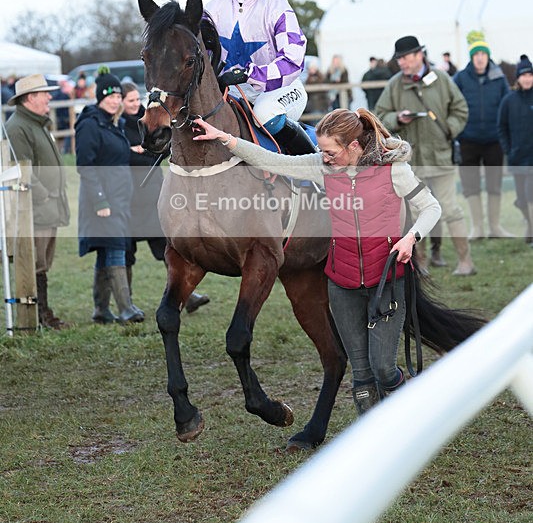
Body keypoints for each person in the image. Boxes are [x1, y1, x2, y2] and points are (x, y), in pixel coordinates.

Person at [192, 108, 441, 414]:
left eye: (329, 151)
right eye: (321, 150)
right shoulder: (323, 167)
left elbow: (431, 207)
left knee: (383, 368)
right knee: (361, 373)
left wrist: (410, 237)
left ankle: (405, 403)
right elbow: (274, 161)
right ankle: (373, 436)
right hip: (342, 284)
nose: (323, 156)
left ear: (353, 146)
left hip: (387, 280)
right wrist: (226, 139)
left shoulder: (394, 170)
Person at [205, 0, 315, 155]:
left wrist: (251, 75)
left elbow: (293, 62)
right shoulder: (214, 6)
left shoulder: (276, 4)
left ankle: (312, 165)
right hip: (232, 91)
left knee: (264, 113)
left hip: (280, 89)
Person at [374, 35, 475, 276]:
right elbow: (378, 116)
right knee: (416, 212)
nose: (402, 62)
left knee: (450, 209)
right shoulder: (395, 85)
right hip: (412, 163)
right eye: (399, 59)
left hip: (441, 157)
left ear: (420, 54)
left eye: (406, 57)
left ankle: (466, 262)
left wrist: (448, 130)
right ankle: (421, 264)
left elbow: (460, 109)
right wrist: (397, 119)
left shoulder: (441, 79)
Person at [121, 82, 210, 314]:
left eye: (134, 99)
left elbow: (157, 148)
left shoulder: (149, 117)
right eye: (129, 101)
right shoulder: (120, 125)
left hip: (151, 192)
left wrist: (141, 151)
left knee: (166, 245)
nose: (134, 104)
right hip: (129, 195)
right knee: (126, 250)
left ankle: (185, 295)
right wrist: (136, 153)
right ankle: (125, 302)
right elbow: (124, 156)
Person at [75, 67, 144, 324]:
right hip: (102, 202)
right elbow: (86, 165)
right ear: (101, 97)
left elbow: (114, 154)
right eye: (111, 96)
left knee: (107, 252)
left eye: (118, 96)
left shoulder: (113, 124)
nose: (116, 101)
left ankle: (101, 310)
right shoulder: (90, 124)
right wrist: (100, 200)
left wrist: (131, 149)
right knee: (115, 249)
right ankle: (126, 308)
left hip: (119, 200)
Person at [5, 74, 70, 329]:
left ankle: (43, 313)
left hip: (47, 207)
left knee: (42, 263)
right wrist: (44, 195)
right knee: (35, 263)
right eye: (45, 93)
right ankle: (39, 316)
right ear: (31, 98)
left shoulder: (36, 123)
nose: (50, 97)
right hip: (35, 209)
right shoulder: (18, 127)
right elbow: (23, 170)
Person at [453, 30, 510, 239]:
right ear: (471, 56)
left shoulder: (499, 78)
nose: (480, 58)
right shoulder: (460, 78)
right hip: (468, 140)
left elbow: (506, 106)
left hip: (494, 140)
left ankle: (495, 226)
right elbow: (451, 105)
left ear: (488, 56)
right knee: (471, 185)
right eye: (476, 54)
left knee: (494, 183)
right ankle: (477, 227)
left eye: (483, 54)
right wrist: (457, 132)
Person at [497, 55, 533, 246]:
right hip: (517, 157)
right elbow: (501, 127)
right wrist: (508, 150)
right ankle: (529, 222)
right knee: (521, 198)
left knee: (530, 194)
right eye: (524, 75)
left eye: (530, 75)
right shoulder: (509, 101)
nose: (527, 78)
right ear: (518, 77)